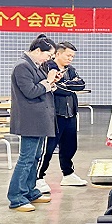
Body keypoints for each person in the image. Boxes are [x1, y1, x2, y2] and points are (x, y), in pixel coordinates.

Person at [7, 36, 59, 211]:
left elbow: (40, 88)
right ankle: (16, 197)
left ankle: (30, 191)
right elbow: (30, 91)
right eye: (48, 55)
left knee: (35, 157)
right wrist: (48, 81)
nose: (48, 59)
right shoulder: (22, 66)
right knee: (26, 159)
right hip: (30, 119)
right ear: (37, 51)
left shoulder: (33, 66)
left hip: (38, 119)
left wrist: (51, 83)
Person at [38, 41, 88, 188]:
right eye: (68, 55)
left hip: (70, 113)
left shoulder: (70, 70)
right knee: (48, 148)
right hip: (54, 115)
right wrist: (66, 87)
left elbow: (81, 84)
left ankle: (68, 174)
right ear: (58, 54)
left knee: (70, 146)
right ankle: (38, 177)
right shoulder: (47, 67)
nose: (70, 59)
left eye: (72, 56)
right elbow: (53, 87)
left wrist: (64, 85)